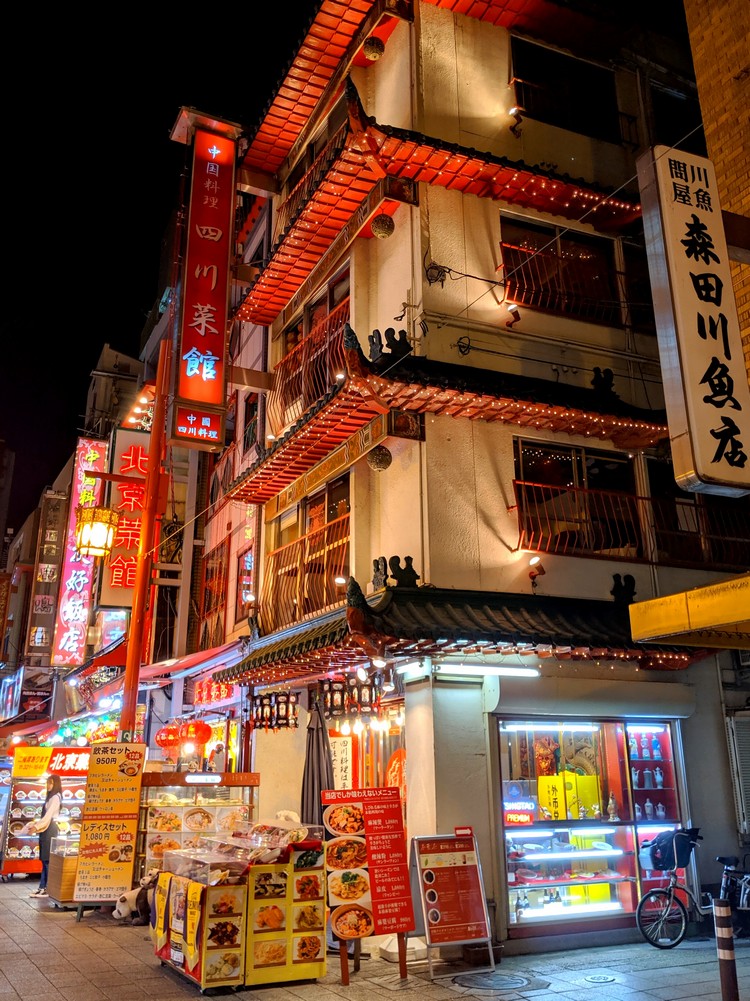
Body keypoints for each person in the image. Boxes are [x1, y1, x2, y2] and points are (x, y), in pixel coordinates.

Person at [27, 774, 62, 897]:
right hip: (46, 828)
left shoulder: (56, 798)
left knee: (47, 859)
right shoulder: (50, 797)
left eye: (50, 783)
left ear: (55, 784)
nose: (48, 785)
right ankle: (42, 886)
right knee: (44, 858)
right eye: (48, 783)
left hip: (50, 828)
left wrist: (36, 827)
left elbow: (48, 817)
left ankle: (47, 888)